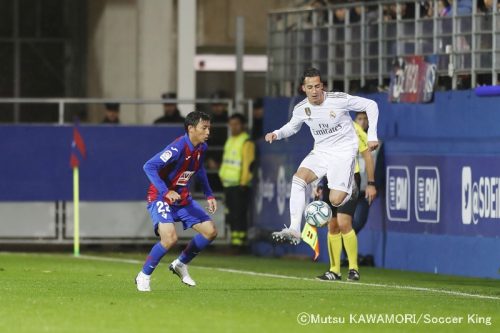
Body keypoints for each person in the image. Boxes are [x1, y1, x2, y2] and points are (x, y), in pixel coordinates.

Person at [265, 67, 379, 247]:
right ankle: (294, 229)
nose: (314, 91)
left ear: (322, 86)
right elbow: (292, 127)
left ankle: (350, 188)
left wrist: (372, 134)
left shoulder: (338, 100)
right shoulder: (302, 108)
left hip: (343, 153)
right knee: (298, 178)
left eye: (317, 86)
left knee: (335, 200)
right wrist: (277, 133)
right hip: (321, 151)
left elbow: (371, 105)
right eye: (310, 87)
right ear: (304, 88)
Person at [135, 111, 217, 292]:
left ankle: (180, 264)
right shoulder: (178, 147)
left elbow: (200, 170)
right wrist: (166, 191)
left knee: (210, 232)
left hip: (181, 198)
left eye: (209, 128)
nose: (208, 132)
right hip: (160, 197)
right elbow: (149, 166)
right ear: (191, 128)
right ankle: (144, 275)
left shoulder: (201, 148)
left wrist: (209, 194)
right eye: (204, 128)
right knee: (170, 238)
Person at [315, 119, 377, 282]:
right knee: (332, 225)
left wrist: (370, 183)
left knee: (344, 223)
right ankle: (334, 271)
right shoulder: (322, 128)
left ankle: (353, 269)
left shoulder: (355, 129)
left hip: (349, 179)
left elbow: (367, 157)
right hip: (329, 180)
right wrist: (317, 182)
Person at [218, 113, 255, 247]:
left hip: (239, 184)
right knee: (231, 214)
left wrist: (244, 183)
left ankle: (239, 243)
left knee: (239, 215)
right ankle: (235, 241)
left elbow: (248, 164)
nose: (233, 127)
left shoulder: (246, 141)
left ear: (243, 125)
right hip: (228, 184)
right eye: (231, 124)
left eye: (236, 124)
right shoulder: (230, 140)